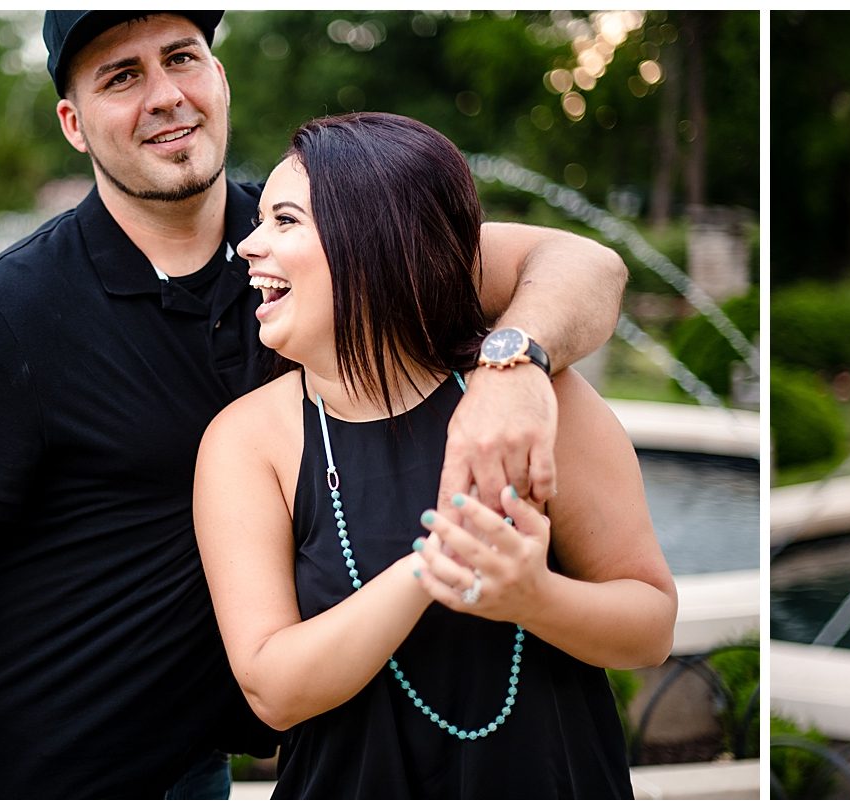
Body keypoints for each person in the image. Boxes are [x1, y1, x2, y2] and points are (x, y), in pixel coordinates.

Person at [0, 12, 629, 799]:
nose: (164, 95)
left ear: (219, 80)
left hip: (192, 771)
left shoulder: (313, 251)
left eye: (182, 58)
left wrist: (515, 366)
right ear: (73, 123)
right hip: (29, 773)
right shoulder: (8, 316)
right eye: (121, 77)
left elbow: (583, 264)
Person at [190, 111, 676, 799]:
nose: (249, 246)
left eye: (286, 221)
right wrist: (432, 566)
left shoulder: (532, 400)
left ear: (372, 243)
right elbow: (272, 687)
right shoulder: (246, 442)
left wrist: (537, 599)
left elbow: (650, 627)